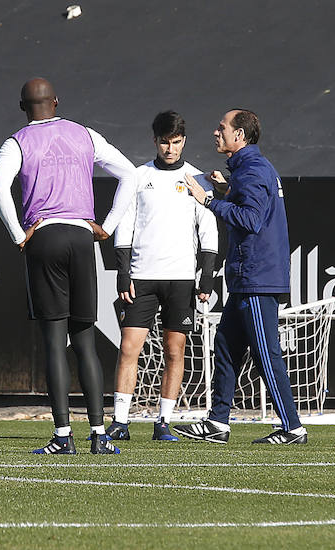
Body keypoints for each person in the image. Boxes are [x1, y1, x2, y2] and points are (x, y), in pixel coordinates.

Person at [0, 77, 138, 455]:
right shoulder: (84, 134)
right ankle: (99, 435)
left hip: (44, 236)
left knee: (55, 342)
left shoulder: (16, 141)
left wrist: (17, 233)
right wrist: (107, 224)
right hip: (81, 237)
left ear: (23, 107)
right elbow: (130, 174)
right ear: (56, 102)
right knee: (85, 341)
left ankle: (61, 436)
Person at [176, 109, 307, 444]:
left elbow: (250, 220)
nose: (216, 133)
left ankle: (293, 428)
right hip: (248, 276)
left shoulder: (253, 170)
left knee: (265, 352)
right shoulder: (248, 170)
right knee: (226, 345)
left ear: (240, 135)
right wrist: (226, 189)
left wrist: (207, 199)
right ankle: (218, 423)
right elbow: (250, 207)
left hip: (256, 277)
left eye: (222, 128)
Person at [108, 111, 218, 442]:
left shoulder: (197, 177)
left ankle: (163, 422)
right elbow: (124, 224)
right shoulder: (137, 176)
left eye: (177, 142)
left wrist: (208, 274)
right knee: (129, 348)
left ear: (184, 141)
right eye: (165, 142)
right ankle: (121, 422)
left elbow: (208, 226)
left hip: (181, 278)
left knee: (175, 350)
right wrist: (123, 270)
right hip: (142, 276)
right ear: (155, 141)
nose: (171, 148)